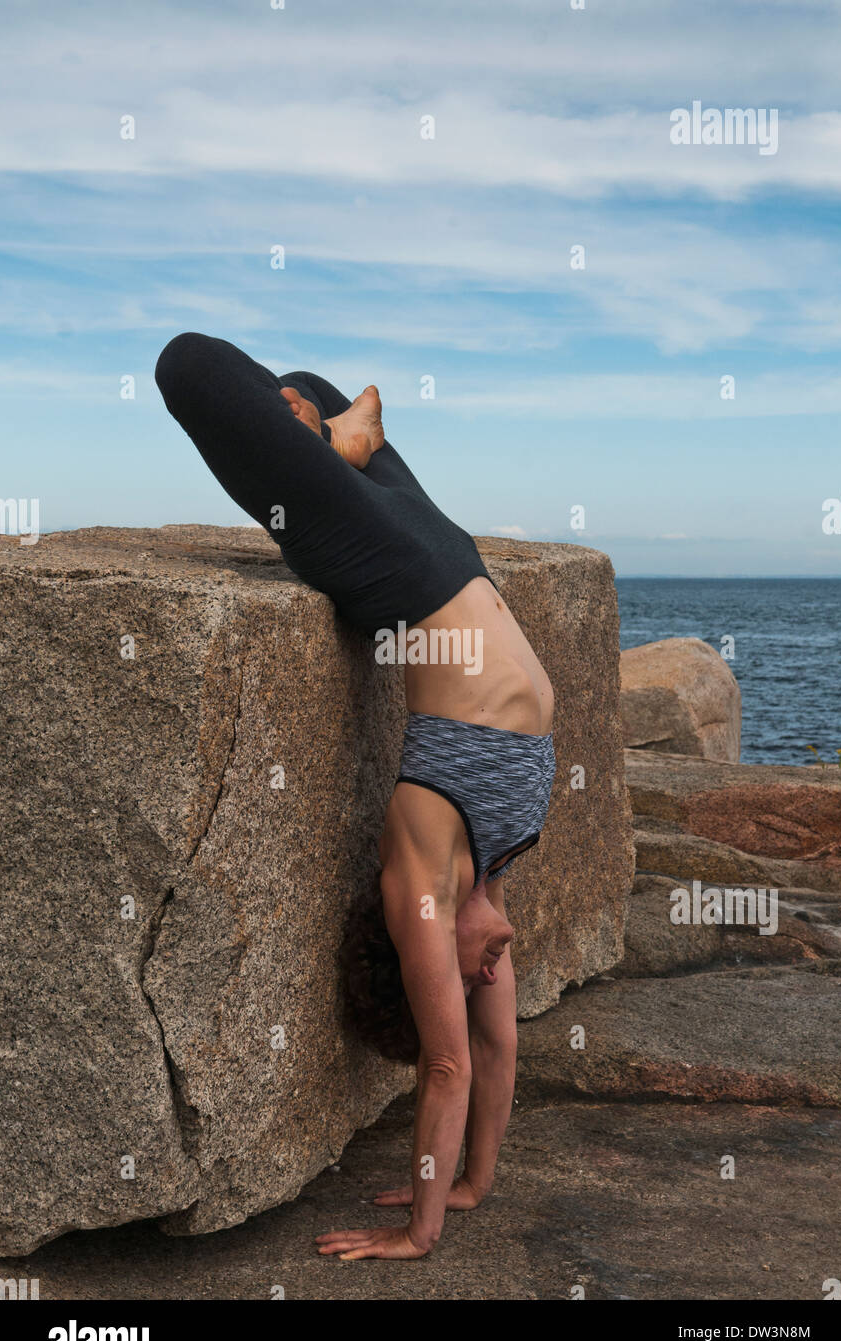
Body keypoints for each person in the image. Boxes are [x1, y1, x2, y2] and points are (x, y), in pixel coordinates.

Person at [154, 332, 555, 1260]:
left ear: (425, 958)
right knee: (315, 398)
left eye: (470, 976)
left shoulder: (419, 884)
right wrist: (469, 1185)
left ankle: (329, 458)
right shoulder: (484, 877)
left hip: (396, 581)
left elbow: (449, 1064)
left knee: (195, 366)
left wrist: (413, 1234)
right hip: (457, 566)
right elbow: (495, 1053)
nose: (497, 972)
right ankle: (343, 453)